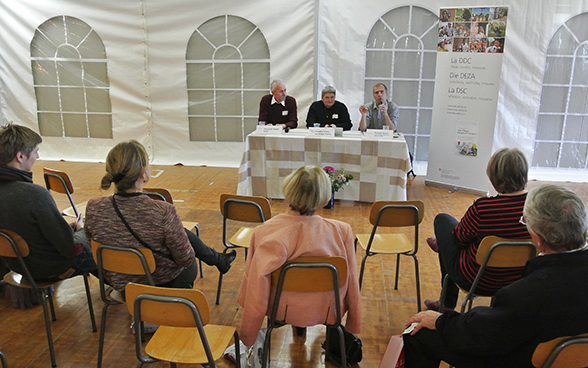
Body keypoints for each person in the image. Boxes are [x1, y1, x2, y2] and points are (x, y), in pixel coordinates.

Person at [403, 184, 588, 368]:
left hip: (521, 358)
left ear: (537, 239)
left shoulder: (527, 292)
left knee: (418, 333)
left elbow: (482, 337)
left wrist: (441, 321)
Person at [84, 140, 235, 291]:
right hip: (160, 282)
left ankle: (219, 259)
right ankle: (216, 261)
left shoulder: (94, 207)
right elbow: (185, 259)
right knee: (187, 257)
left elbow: (93, 244)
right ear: (143, 174)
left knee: (175, 230)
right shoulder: (162, 211)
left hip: (119, 281)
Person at [237, 165, 361, 347]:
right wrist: (353, 322)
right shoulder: (342, 231)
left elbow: (256, 290)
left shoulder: (264, 232)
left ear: (289, 188)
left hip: (281, 308)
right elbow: (351, 280)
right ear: (324, 195)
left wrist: (248, 335)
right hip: (328, 308)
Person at [424, 148, 530, 312]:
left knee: (443, 220)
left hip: (476, 279)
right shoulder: (537, 208)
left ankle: (446, 304)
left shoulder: (484, 208)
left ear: (493, 176)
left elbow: (458, 240)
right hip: (518, 281)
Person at [0, 123, 96, 280]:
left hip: (17, 267)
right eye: (36, 151)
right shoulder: (34, 195)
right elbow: (72, 249)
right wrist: (83, 229)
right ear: (20, 156)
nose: (37, 156)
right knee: (101, 249)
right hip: (50, 268)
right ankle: (128, 292)